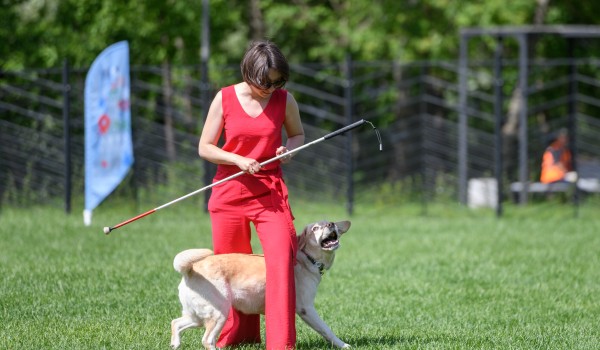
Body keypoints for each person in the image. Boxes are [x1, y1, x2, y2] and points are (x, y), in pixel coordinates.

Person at [198, 40, 305, 350]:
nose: (270, 88)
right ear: (248, 72)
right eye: (265, 81)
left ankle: (281, 342)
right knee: (232, 267)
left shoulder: (285, 101)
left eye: (278, 81)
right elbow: (206, 146)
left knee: (282, 260)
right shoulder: (225, 98)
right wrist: (237, 159)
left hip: (269, 193)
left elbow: (297, 135)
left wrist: (289, 150)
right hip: (228, 193)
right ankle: (241, 335)